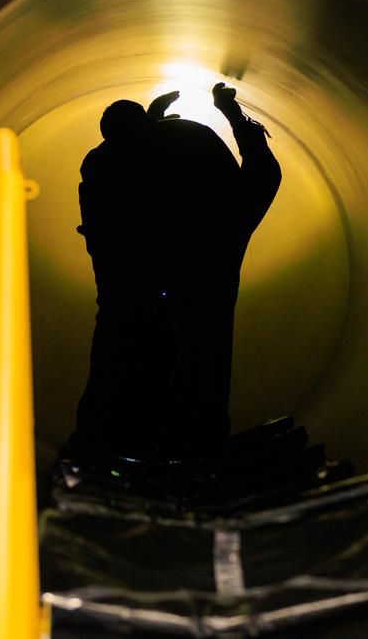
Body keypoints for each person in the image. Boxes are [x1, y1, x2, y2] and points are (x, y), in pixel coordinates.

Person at [71, 82, 281, 459]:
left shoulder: (105, 162)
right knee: (200, 355)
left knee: (124, 355)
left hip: (148, 274)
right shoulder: (181, 144)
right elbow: (262, 174)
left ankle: (109, 440)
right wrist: (231, 114)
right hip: (201, 264)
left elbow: (100, 221)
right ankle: (191, 443)